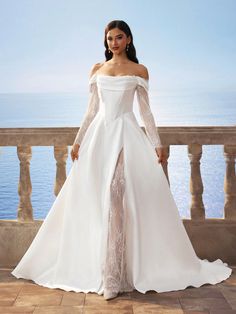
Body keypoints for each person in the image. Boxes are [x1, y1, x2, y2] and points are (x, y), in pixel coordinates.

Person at [12, 19, 232, 301]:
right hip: (100, 138)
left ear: (128, 39)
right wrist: (78, 141)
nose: (113, 43)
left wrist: (157, 143)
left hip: (127, 135)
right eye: (109, 39)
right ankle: (107, 271)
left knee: (118, 197)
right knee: (100, 202)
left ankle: (116, 274)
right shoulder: (97, 69)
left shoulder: (139, 70)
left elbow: (146, 112)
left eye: (118, 38)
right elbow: (91, 111)